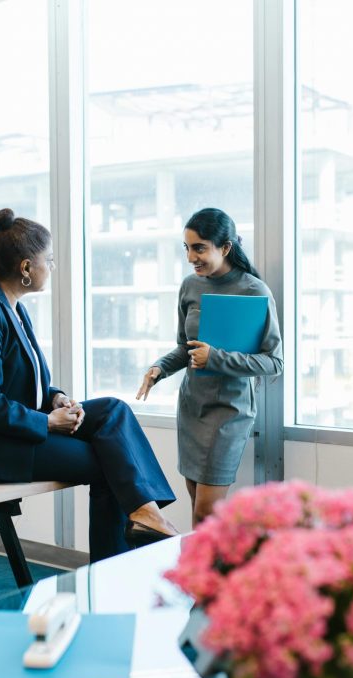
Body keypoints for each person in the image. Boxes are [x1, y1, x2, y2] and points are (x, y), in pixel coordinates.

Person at [0, 208, 177, 562]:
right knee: (109, 463)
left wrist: (55, 398)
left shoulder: (11, 305)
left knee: (113, 410)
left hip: (6, 433)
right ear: (26, 268)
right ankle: (115, 565)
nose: (52, 268)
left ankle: (146, 513)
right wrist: (46, 422)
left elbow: (25, 380)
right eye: (49, 260)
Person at [137, 208, 283, 525]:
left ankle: (210, 573)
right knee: (196, 509)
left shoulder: (254, 291)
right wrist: (159, 369)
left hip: (229, 412)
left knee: (208, 513)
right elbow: (185, 347)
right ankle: (198, 572)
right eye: (187, 248)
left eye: (199, 247)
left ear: (226, 247)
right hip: (192, 408)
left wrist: (215, 358)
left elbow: (273, 362)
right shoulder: (191, 286)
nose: (191, 257)